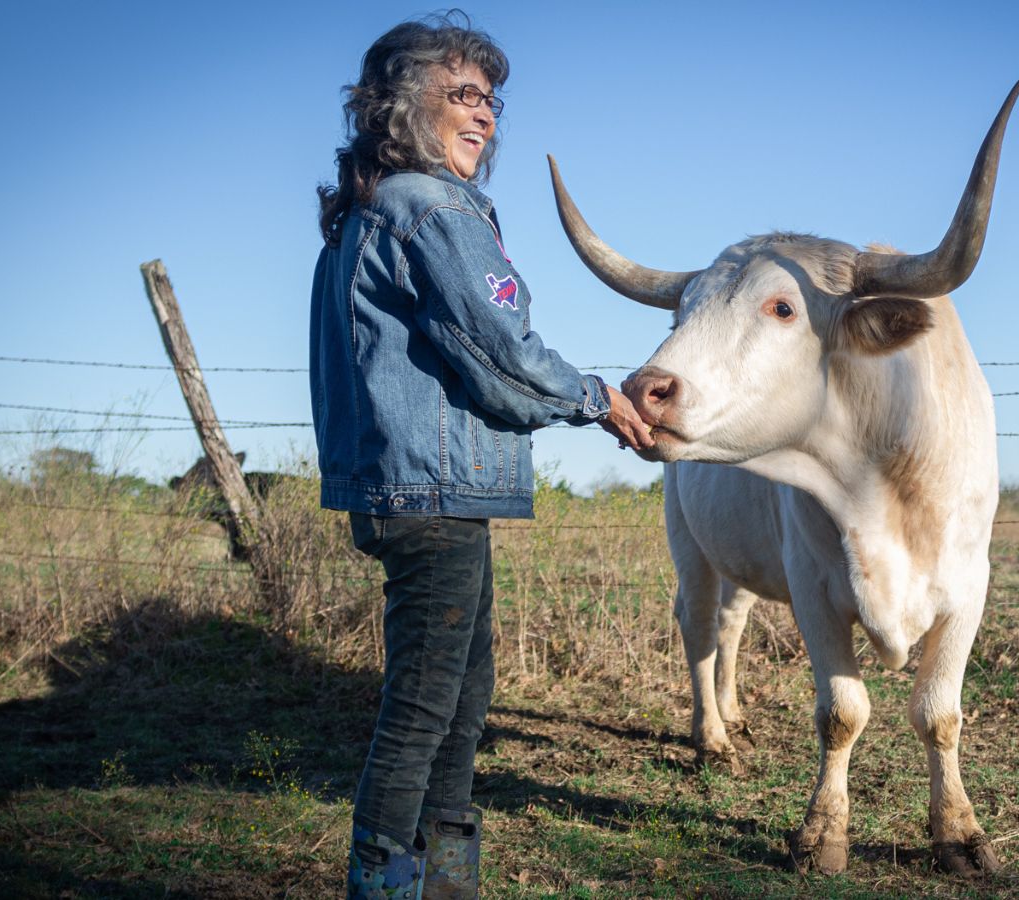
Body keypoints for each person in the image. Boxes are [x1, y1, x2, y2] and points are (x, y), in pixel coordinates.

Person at [309, 13, 653, 899]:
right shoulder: (431, 208)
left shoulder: (365, 212)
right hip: (432, 496)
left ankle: (449, 884)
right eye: (461, 94)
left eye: (491, 100)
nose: (486, 116)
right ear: (396, 103)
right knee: (426, 710)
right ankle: (383, 887)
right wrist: (598, 398)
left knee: (461, 702)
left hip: (411, 493)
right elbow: (501, 353)